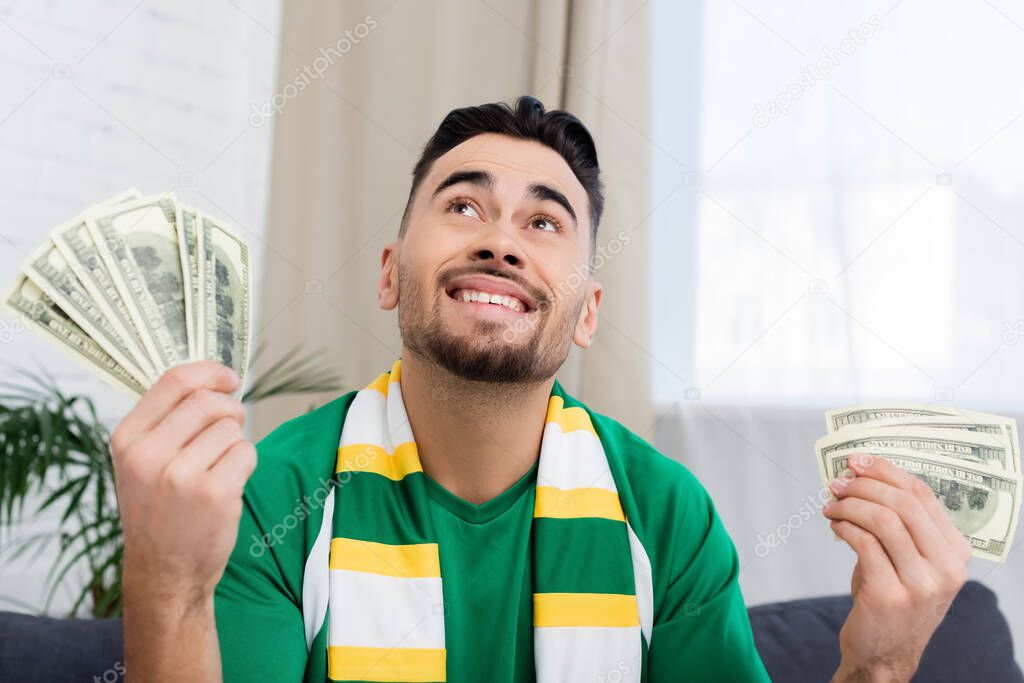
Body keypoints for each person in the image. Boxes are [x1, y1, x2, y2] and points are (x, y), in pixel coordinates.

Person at [112, 96, 970, 682]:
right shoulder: (273, 497)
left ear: (587, 311)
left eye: (544, 222)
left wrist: (881, 665)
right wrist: (164, 579)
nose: (502, 242)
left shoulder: (665, 513)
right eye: (463, 206)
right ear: (387, 273)